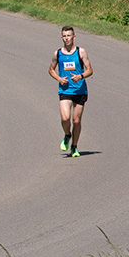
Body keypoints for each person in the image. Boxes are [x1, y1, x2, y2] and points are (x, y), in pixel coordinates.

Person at [49, 26, 93, 158]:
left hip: (80, 90)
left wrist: (81, 76)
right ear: (61, 38)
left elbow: (90, 70)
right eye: (64, 36)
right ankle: (67, 135)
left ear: (74, 37)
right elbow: (51, 69)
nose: (66, 38)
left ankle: (74, 146)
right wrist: (58, 78)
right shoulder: (58, 53)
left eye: (69, 36)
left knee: (76, 121)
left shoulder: (81, 52)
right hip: (65, 90)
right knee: (65, 118)